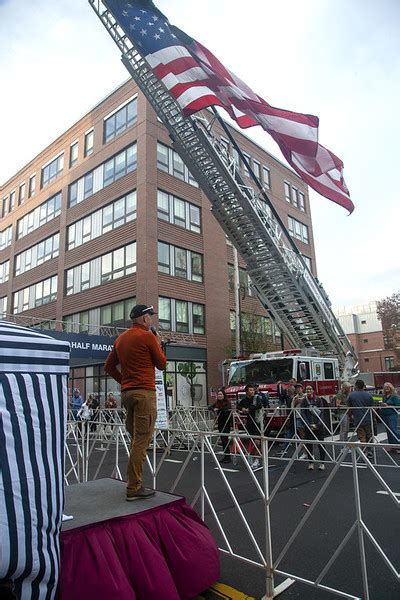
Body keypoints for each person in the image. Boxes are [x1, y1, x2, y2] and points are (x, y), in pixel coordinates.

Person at [104, 304, 167, 501]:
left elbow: (108, 366)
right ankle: (133, 487)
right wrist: (158, 342)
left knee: (135, 439)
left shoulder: (121, 339)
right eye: (150, 316)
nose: (152, 320)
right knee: (142, 439)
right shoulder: (148, 336)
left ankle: (134, 481)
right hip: (144, 393)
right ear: (144, 318)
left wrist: (125, 381)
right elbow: (162, 364)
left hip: (128, 394)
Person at [302, 385, 329, 471]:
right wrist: (308, 424)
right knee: (309, 444)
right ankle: (310, 463)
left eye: (310, 389)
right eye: (307, 389)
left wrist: (318, 424)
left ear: (313, 390)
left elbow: (322, 412)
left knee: (321, 444)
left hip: (318, 425)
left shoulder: (318, 399)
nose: (308, 390)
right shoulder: (304, 401)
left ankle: (322, 463)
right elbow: (302, 413)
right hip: (309, 425)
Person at [238, 384, 263, 469]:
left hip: (258, 421)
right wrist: (242, 409)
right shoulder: (244, 400)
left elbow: (259, 406)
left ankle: (256, 459)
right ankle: (251, 455)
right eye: (250, 390)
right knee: (252, 441)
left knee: (257, 442)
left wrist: (249, 409)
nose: (252, 392)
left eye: (253, 390)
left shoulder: (257, 398)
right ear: (246, 391)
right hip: (249, 422)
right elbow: (238, 406)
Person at [348, 379, 374, 458]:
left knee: (361, 435)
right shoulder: (369, 395)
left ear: (356, 386)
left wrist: (350, 416)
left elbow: (349, 407)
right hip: (368, 418)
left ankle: (365, 450)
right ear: (363, 386)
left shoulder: (351, 395)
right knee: (369, 435)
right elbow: (372, 407)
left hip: (358, 418)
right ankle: (370, 450)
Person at [209, 389, 233, 463]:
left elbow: (227, 408)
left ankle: (228, 457)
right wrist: (214, 409)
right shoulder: (217, 403)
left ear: (224, 395)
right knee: (223, 440)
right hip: (220, 423)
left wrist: (218, 409)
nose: (219, 396)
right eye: (218, 394)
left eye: (221, 394)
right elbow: (210, 407)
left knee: (225, 439)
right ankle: (226, 456)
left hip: (226, 423)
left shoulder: (227, 402)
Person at [379, 382, 400, 451]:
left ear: (391, 388)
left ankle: (398, 445)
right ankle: (391, 445)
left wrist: (388, 405)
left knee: (393, 429)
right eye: (385, 388)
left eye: (388, 387)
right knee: (388, 430)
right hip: (385, 414)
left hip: (392, 415)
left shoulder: (394, 396)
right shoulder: (384, 396)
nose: (386, 389)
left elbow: (398, 406)